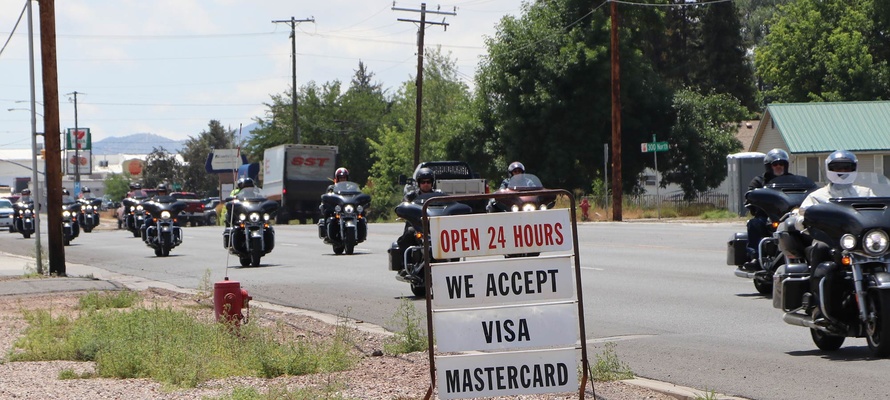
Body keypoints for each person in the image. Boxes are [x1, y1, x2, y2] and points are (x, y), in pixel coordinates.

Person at [792, 151, 875, 310]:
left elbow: (879, 212)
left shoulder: (866, 193)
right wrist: (805, 221)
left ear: (854, 168)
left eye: (846, 167)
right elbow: (801, 216)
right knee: (821, 249)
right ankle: (816, 301)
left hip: (860, 242)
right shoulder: (818, 196)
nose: (842, 171)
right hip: (831, 241)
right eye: (838, 167)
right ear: (829, 168)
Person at [742, 148, 793, 271]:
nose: (779, 167)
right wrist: (752, 200)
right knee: (754, 223)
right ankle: (754, 256)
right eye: (775, 164)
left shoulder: (792, 180)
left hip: (789, 216)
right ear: (769, 166)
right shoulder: (759, 181)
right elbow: (750, 195)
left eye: (781, 164)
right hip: (767, 216)